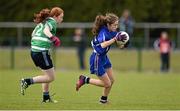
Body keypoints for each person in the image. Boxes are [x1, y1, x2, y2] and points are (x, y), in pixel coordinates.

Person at [75, 13, 128, 104]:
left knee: (112, 80)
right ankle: (84, 80)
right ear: (108, 25)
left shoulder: (111, 31)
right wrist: (115, 39)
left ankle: (103, 100)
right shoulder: (103, 33)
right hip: (97, 59)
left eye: (117, 24)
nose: (116, 26)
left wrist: (123, 44)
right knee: (107, 83)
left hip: (104, 57)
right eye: (115, 25)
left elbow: (117, 39)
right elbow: (103, 45)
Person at [20, 7, 64, 103]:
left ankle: (46, 97)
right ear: (55, 16)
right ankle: (27, 81)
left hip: (34, 51)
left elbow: (33, 34)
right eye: (61, 17)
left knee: (46, 74)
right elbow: (45, 31)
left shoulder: (43, 21)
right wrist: (53, 38)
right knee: (51, 77)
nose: (62, 19)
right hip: (41, 52)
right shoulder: (52, 22)